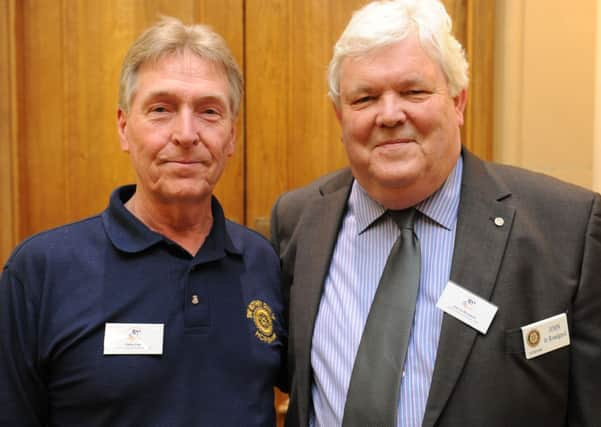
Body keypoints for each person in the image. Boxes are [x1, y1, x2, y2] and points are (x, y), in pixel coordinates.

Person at [270, 1, 601, 426]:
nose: (390, 115)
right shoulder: (298, 222)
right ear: (340, 115)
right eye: (365, 97)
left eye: (414, 92)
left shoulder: (568, 230)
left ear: (459, 102)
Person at [0, 17, 286, 427]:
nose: (186, 134)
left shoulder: (263, 261)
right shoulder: (40, 272)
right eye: (161, 109)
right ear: (123, 127)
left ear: (232, 136)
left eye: (208, 111)